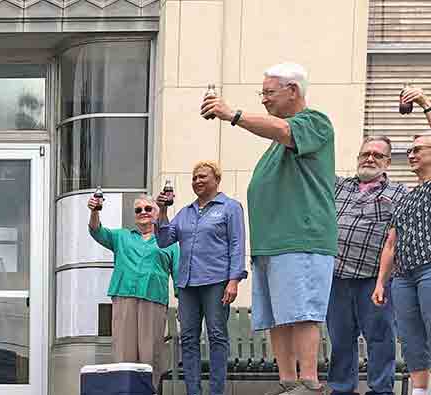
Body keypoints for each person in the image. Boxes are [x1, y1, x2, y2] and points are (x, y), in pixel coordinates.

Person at [201, 62, 336, 395]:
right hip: (272, 244)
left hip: (301, 238)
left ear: (293, 90)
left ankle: (309, 382)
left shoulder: (314, 122)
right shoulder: (277, 142)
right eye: (260, 93)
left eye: (268, 92)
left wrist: (233, 115)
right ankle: (288, 382)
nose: (263, 99)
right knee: (278, 315)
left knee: (303, 312)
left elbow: (283, 131)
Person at [155, 160, 246, 395]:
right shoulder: (185, 213)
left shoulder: (230, 207)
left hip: (216, 282)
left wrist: (234, 279)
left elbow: (237, 244)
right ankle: (193, 392)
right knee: (188, 339)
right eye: (194, 178)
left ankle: (216, 392)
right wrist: (163, 211)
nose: (197, 181)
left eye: (203, 176)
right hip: (187, 284)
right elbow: (164, 240)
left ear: (217, 179)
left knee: (216, 336)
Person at [327, 136, 406, 395]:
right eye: (365, 154)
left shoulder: (398, 193)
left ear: (387, 162)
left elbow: (397, 240)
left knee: (380, 338)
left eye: (377, 155)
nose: (370, 158)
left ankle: (382, 390)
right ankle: (341, 389)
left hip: (375, 280)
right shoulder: (338, 186)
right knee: (339, 339)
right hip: (336, 278)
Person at [87, 193, 178, 386]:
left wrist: (184, 303)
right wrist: (95, 211)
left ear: (157, 212)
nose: (143, 212)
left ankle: (149, 391)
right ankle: (124, 390)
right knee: (123, 352)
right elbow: (96, 231)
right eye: (138, 210)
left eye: (148, 208)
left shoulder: (170, 242)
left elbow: (178, 274)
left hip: (153, 299)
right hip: (124, 297)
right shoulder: (121, 236)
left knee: (150, 353)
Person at [373, 132, 431, 395]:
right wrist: (380, 283)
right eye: (409, 150)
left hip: (429, 269)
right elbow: (390, 244)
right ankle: (419, 391)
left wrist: (421, 102)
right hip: (404, 277)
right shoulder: (406, 197)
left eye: (418, 149)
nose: (411, 154)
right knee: (410, 339)